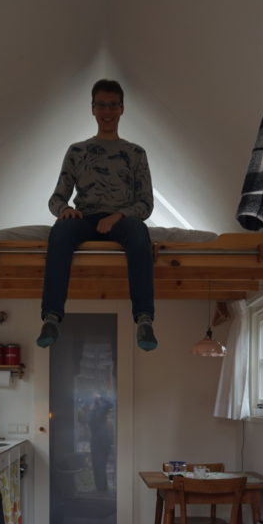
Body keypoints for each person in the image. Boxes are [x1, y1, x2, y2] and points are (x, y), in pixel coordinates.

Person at [36, 79, 157, 351]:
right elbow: (57, 197)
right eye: (101, 105)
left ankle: (144, 319)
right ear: (92, 109)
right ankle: (52, 317)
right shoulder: (77, 151)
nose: (107, 111)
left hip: (123, 219)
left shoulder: (135, 153)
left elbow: (146, 203)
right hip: (84, 217)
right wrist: (65, 210)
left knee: (140, 233)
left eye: (113, 105)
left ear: (122, 109)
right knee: (60, 232)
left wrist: (117, 217)